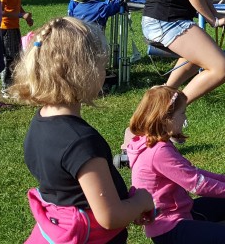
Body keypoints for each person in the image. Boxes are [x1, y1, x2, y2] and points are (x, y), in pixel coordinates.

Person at [12, 17, 155, 244]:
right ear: (82, 71)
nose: (104, 71)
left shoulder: (39, 123)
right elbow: (110, 216)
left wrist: (126, 206)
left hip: (60, 231)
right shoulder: (81, 142)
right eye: (101, 64)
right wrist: (141, 202)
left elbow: (71, 191)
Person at [126, 85, 225, 243]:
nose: (185, 118)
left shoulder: (153, 142)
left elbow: (193, 172)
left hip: (177, 213)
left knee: (221, 202)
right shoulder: (159, 152)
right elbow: (197, 184)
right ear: (166, 119)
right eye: (182, 113)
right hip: (168, 227)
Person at [0, 0, 33, 93]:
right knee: (9, 56)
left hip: (14, 26)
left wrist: (25, 16)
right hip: (5, 27)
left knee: (16, 54)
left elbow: (17, 4)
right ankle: (6, 87)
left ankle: (14, 82)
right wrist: (20, 15)